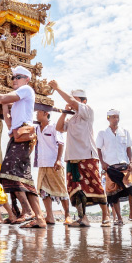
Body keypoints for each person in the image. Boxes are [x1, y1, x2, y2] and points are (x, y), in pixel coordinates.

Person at [0, 65, 45, 229]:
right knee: (22, 178)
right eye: (13, 77)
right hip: (16, 138)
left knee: (13, 174)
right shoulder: (18, 101)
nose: (14, 80)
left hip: (22, 137)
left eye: (18, 77)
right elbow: (8, 121)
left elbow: (1, 98)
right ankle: (37, 218)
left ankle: (28, 212)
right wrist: (4, 105)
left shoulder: (26, 90)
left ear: (27, 79)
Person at [49, 82, 110, 227]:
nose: (72, 103)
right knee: (76, 189)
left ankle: (106, 215)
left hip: (87, 155)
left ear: (84, 101)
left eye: (76, 100)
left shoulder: (87, 111)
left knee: (96, 185)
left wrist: (57, 88)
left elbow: (70, 101)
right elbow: (59, 128)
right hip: (72, 157)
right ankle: (83, 218)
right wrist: (64, 112)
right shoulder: (71, 118)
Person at [95, 109, 132, 225]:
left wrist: (131, 162)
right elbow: (98, 149)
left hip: (125, 166)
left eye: (117, 117)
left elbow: (128, 148)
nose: (116, 119)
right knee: (114, 193)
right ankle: (119, 218)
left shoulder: (125, 132)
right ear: (108, 118)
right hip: (110, 167)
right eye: (113, 117)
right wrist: (102, 163)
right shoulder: (102, 133)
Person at [35, 109, 71, 225]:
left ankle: (67, 215)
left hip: (54, 163)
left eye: (39, 112)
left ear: (46, 114)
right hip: (42, 163)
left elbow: (61, 143)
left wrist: (59, 160)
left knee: (61, 189)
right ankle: (50, 216)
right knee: (43, 190)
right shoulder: (36, 128)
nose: (36, 114)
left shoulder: (54, 127)